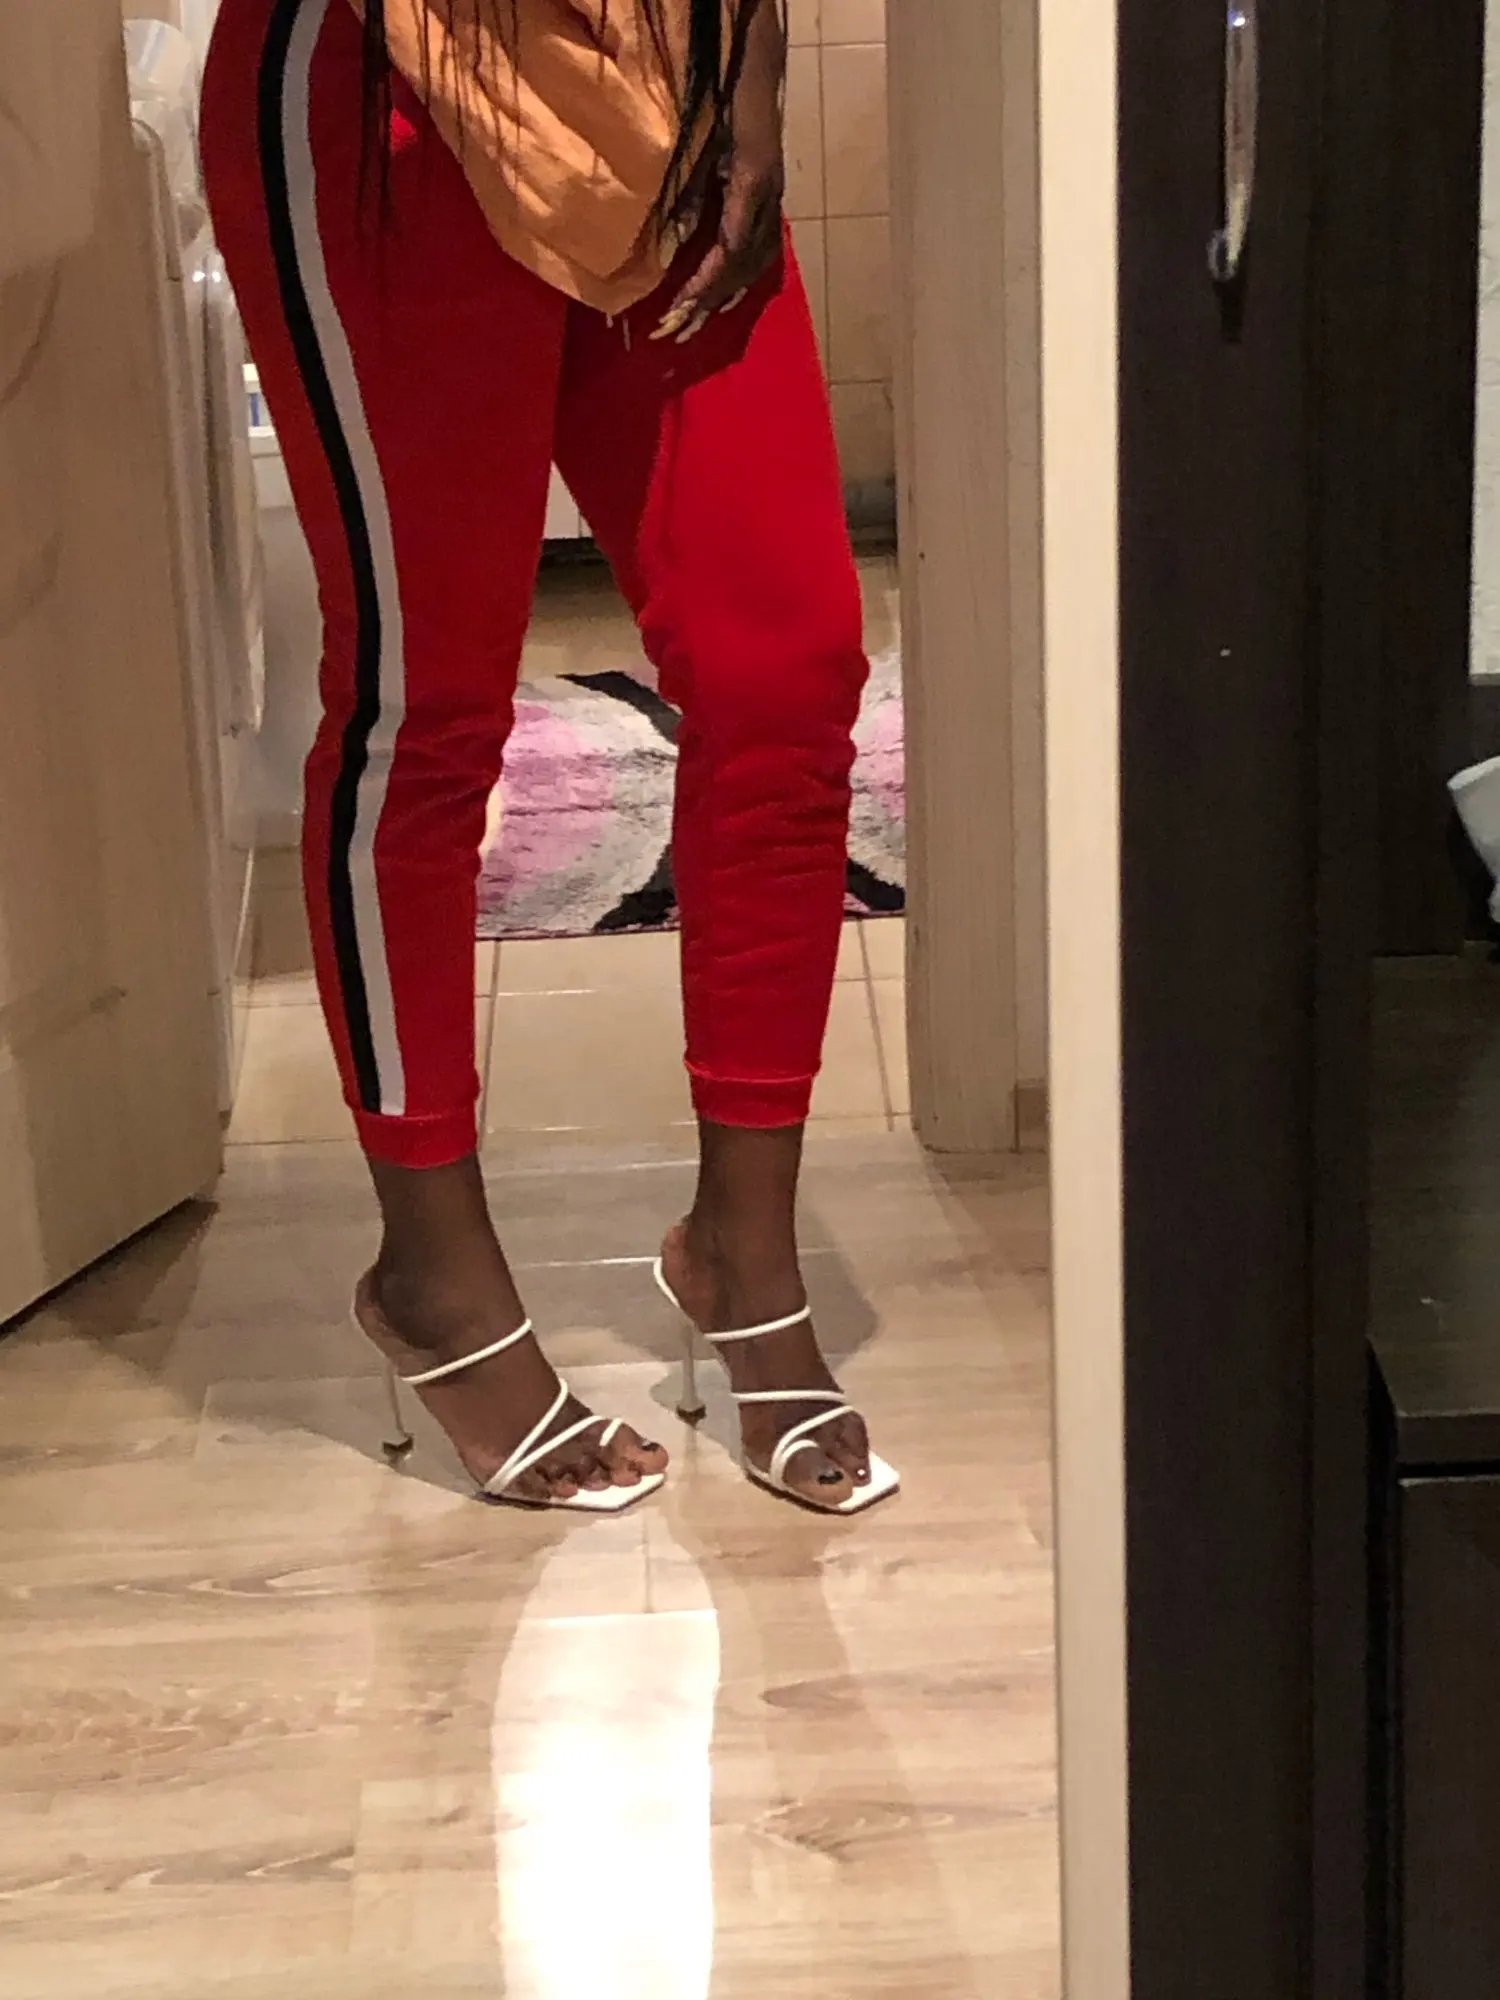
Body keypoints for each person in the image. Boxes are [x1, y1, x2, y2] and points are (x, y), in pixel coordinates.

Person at [199, 0, 897, 1514]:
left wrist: (751, 65)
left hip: (661, 73)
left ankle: (746, 1251)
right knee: (421, 706)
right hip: (378, 91)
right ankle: (433, 1275)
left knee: (783, 668)